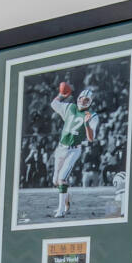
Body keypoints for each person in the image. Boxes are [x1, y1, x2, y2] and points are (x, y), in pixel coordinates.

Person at [46, 80, 99, 219]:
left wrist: (86, 124)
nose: (83, 101)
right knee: (56, 181)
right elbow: (54, 104)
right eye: (81, 98)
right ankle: (66, 201)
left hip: (73, 150)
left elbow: (91, 139)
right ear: (78, 98)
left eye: (86, 100)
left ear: (90, 102)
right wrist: (61, 95)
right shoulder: (70, 107)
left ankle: (61, 210)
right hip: (60, 148)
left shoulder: (92, 116)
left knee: (62, 178)